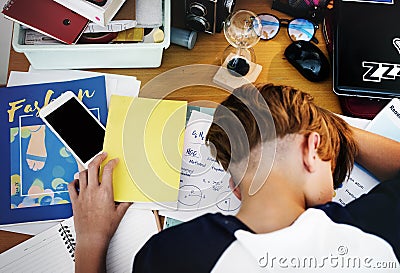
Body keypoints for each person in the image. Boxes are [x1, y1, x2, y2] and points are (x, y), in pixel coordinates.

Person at [68, 83, 400, 273]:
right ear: (313, 149)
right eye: (332, 162)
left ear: (234, 187)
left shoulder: (169, 255)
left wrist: (91, 240)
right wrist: (330, 126)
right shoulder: (375, 228)